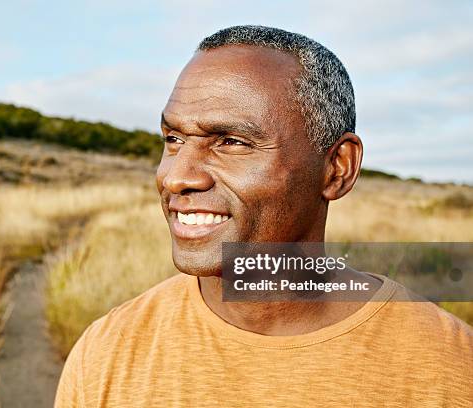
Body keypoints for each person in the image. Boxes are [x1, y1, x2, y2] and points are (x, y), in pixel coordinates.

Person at [54, 25, 473, 407]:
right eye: (174, 138)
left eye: (232, 142)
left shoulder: (449, 366)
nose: (176, 176)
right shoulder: (107, 352)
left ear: (337, 168)